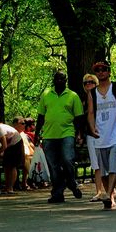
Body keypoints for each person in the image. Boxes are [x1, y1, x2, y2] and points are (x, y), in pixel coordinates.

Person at [85, 61, 116, 209]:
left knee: (113, 167)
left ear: (109, 72)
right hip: (100, 136)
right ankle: (110, 196)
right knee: (103, 171)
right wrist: (92, 129)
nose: (101, 72)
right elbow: (91, 113)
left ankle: (108, 194)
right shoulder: (93, 93)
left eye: (103, 69)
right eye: (98, 70)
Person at [34, 71, 84, 203]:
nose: (60, 81)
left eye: (62, 78)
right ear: (54, 80)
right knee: (53, 165)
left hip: (67, 133)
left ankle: (71, 183)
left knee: (68, 160)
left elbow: (79, 117)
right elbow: (40, 116)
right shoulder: (46, 94)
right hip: (49, 135)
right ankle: (57, 193)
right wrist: (37, 133)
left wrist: (80, 133)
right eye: (57, 78)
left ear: (66, 80)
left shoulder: (73, 96)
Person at [81, 73, 107, 200]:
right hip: (90, 134)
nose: (88, 84)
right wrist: (80, 134)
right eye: (86, 83)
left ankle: (111, 190)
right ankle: (98, 191)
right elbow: (81, 120)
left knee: (106, 162)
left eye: (91, 82)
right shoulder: (83, 101)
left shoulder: (103, 97)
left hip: (104, 132)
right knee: (96, 164)